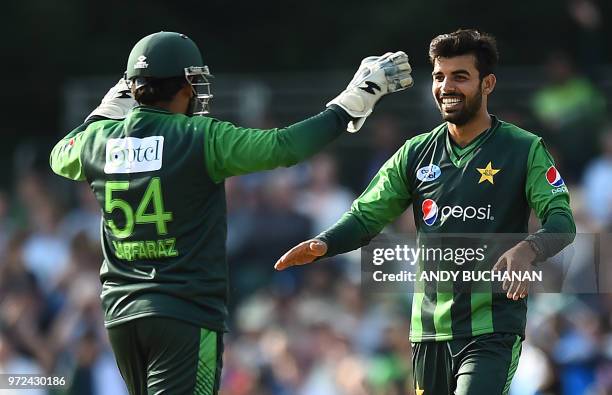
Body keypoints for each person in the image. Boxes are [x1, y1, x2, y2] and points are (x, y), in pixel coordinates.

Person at [49, 31, 413, 395]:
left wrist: (104, 111)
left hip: (122, 316)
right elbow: (284, 147)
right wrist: (354, 100)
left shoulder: (98, 140)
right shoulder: (199, 137)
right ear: (184, 85)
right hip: (184, 312)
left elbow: (59, 156)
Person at [275, 29, 576, 395]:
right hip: (427, 331)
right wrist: (325, 243)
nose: (446, 86)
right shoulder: (415, 153)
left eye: (460, 76)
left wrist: (527, 249)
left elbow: (562, 222)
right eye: (439, 76)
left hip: (491, 328)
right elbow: (367, 216)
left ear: (488, 83)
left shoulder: (524, 149)